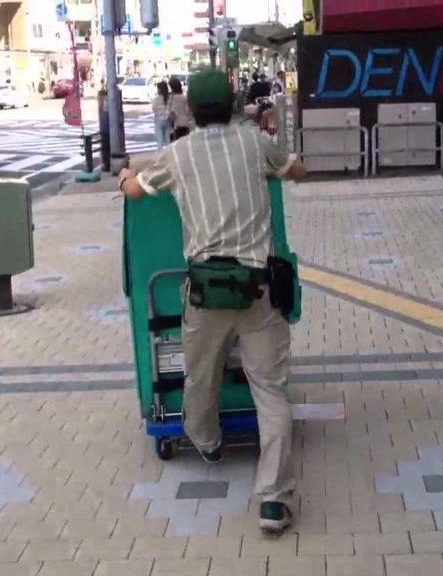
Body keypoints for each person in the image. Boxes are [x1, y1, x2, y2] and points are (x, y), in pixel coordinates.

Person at [118, 68, 307, 535]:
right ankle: (273, 501)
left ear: (191, 112)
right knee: (271, 390)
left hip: (204, 293)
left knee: (199, 378)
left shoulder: (177, 155)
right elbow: (295, 170)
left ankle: (206, 441)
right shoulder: (255, 144)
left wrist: (125, 174)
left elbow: (136, 192)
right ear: (233, 105)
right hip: (259, 291)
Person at [167, 76, 192, 141]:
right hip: (186, 122)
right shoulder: (184, 98)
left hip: (176, 124)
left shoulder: (170, 98)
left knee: (177, 142)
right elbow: (188, 110)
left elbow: (169, 111)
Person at [151, 80, 171, 149]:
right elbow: (171, 108)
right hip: (168, 120)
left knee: (160, 141)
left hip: (159, 119)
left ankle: (160, 156)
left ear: (159, 89)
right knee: (168, 139)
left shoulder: (156, 99)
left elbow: (154, 109)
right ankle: (169, 155)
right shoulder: (169, 98)